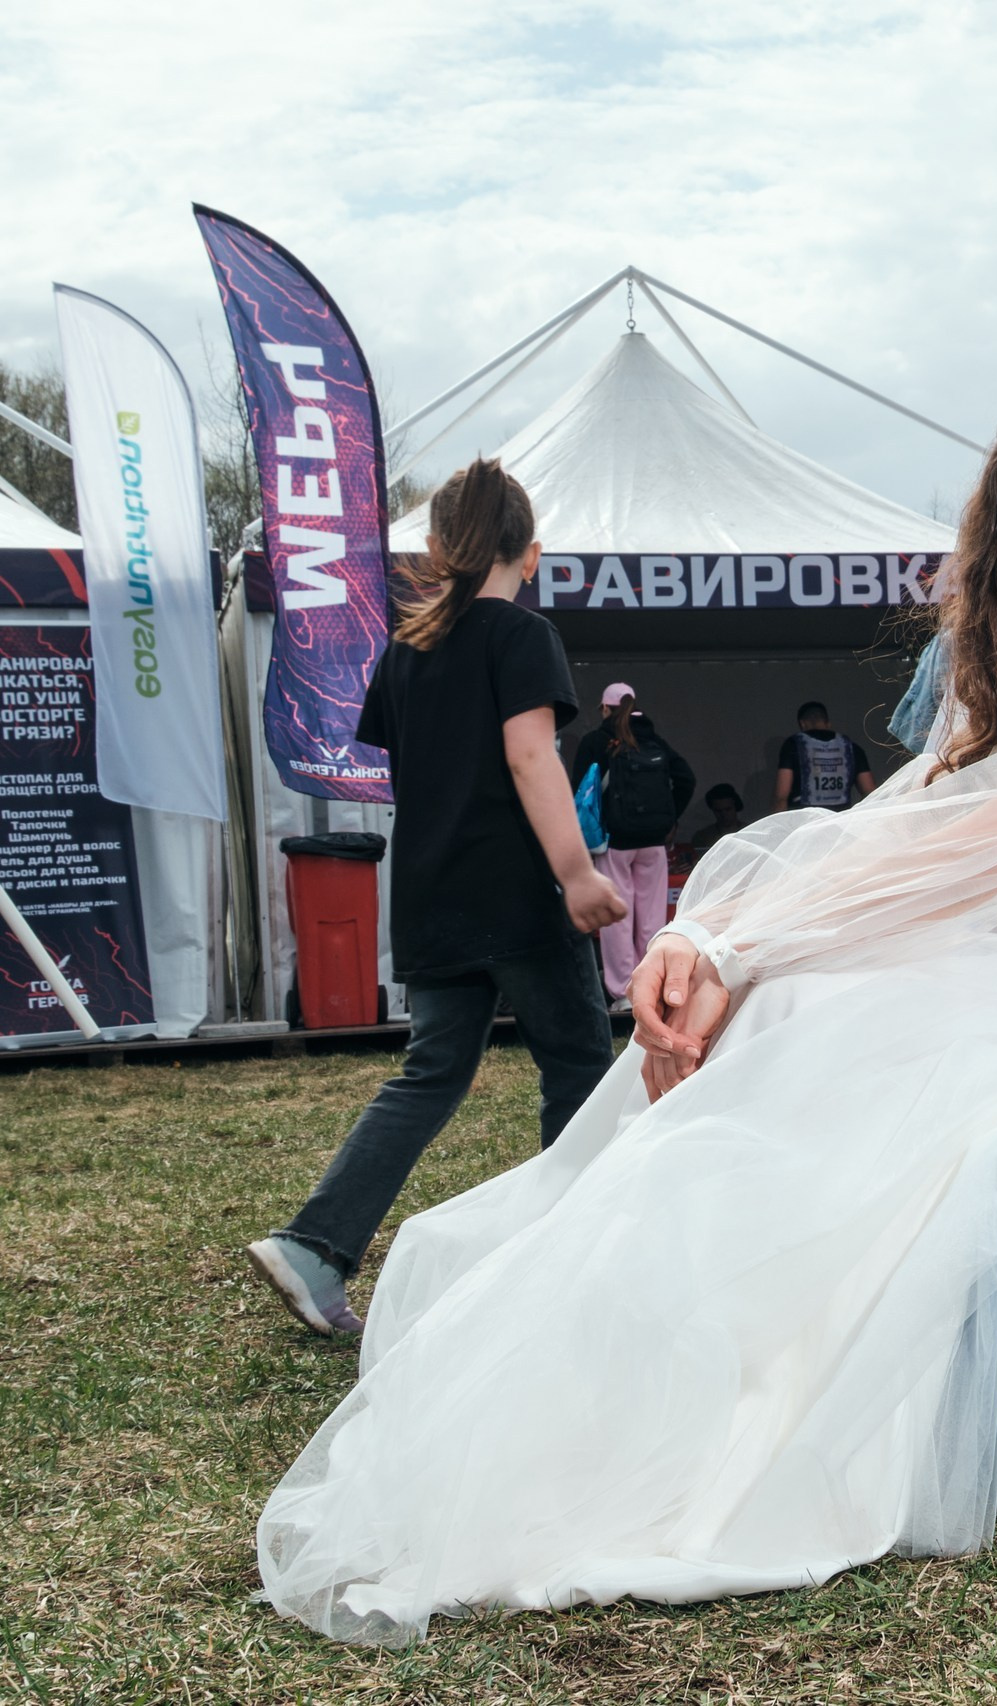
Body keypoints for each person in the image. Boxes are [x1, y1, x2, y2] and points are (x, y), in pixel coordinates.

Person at [253, 400, 997, 1645]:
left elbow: (962, 853)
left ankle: (739, 1398)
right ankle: (657, 1362)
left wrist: (740, 938)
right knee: (787, 1003)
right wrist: (709, 941)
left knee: (826, 1015)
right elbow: (889, 823)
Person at [244, 459, 624, 1339]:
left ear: (438, 549)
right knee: (575, 1067)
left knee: (431, 1074)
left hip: (430, 899)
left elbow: (409, 772)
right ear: (530, 555)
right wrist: (575, 873)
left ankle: (315, 1245)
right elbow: (531, 758)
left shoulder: (405, 653)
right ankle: (583, 1261)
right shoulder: (522, 636)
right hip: (520, 896)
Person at [567, 684, 695, 1000]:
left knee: (617, 919)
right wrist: (670, 818)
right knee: (652, 917)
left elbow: (580, 792)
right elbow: (686, 778)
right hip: (653, 841)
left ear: (605, 709)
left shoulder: (596, 742)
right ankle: (656, 986)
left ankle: (625, 992)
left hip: (615, 842)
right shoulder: (652, 739)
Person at [774, 700, 877, 812]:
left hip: (804, 821)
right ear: (828, 723)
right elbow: (869, 791)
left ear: (802, 723)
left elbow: (781, 796)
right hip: (839, 820)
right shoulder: (852, 747)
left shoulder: (793, 744)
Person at [687, 783, 749, 854]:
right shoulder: (702, 837)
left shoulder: (750, 832)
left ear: (736, 807)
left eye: (728, 809)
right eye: (718, 811)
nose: (724, 815)